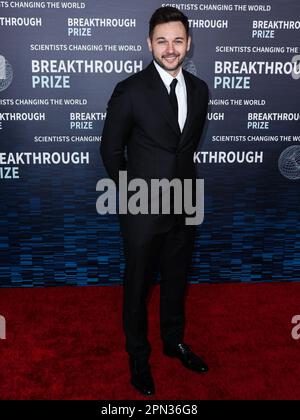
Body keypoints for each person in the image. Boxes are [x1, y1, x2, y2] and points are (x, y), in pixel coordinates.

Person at [100, 6, 209, 396]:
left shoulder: (199, 90)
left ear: (188, 44)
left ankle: (173, 341)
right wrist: (133, 197)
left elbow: (186, 149)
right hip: (142, 207)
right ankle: (137, 355)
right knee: (138, 284)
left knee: (177, 279)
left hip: (184, 203)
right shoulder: (130, 90)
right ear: (149, 43)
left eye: (177, 40)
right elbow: (111, 151)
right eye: (162, 40)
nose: (170, 48)